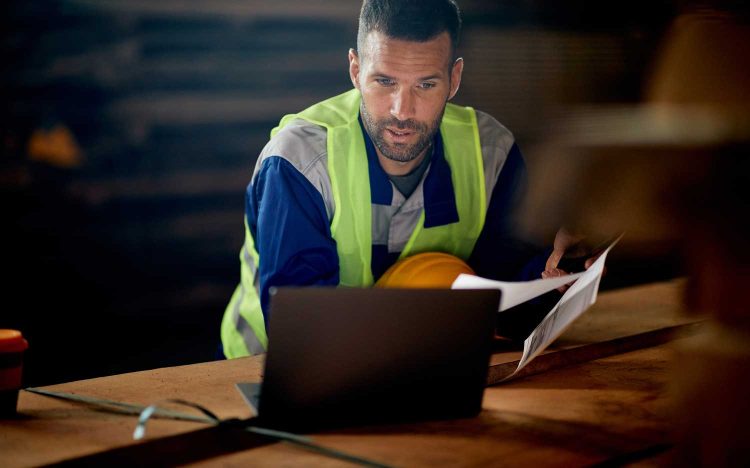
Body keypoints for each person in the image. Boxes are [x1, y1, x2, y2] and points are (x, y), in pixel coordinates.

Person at [221, 0, 584, 358]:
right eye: (384, 81)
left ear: (454, 79)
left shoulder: (492, 153)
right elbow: (301, 327)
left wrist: (558, 270)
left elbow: (508, 288)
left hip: (432, 364)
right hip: (257, 372)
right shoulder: (299, 162)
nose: (402, 111)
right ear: (355, 71)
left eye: (426, 85)